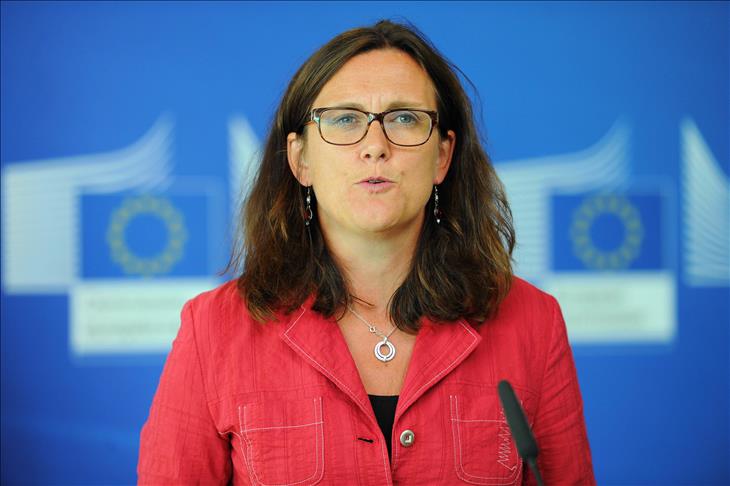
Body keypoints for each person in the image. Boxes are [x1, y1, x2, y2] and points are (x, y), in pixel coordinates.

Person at [138, 19, 595, 485]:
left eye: (404, 118)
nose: (376, 146)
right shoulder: (214, 330)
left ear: (442, 156)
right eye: (345, 119)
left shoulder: (533, 322)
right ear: (301, 159)